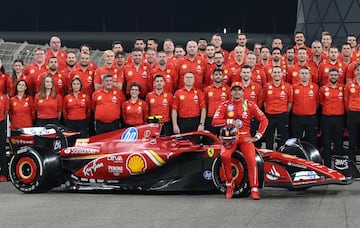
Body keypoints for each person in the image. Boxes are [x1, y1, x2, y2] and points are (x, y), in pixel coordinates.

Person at [212, 81, 268, 200]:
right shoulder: (225, 105)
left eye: (239, 90)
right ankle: (229, 184)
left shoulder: (250, 105)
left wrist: (258, 136)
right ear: (231, 92)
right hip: (229, 139)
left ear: (243, 91)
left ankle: (254, 188)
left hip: (245, 137)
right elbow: (214, 121)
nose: (237, 92)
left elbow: (264, 120)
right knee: (225, 156)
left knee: (251, 160)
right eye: (235, 90)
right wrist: (229, 121)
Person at [319, 68, 345, 167]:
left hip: (339, 118)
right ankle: (327, 166)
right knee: (326, 143)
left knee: (338, 142)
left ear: (338, 76)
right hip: (327, 118)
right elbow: (321, 102)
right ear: (328, 76)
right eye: (331, 75)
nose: (333, 77)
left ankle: (339, 166)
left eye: (335, 75)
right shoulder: (323, 89)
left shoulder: (343, 88)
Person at [263, 66, 293, 150]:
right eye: (275, 72)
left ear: (282, 74)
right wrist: (268, 110)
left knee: (283, 137)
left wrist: (285, 112)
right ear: (272, 74)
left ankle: (281, 156)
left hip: (282, 115)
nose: (277, 74)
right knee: (269, 137)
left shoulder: (287, 86)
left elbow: (290, 102)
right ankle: (269, 156)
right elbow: (264, 101)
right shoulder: (266, 86)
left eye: (278, 72)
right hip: (269, 115)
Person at [290, 66, 319, 147]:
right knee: (296, 140)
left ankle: (311, 159)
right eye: (302, 73)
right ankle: (296, 158)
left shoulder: (315, 87)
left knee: (312, 140)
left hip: (311, 118)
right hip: (297, 118)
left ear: (309, 75)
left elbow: (317, 103)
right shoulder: (293, 87)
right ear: (299, 75)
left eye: (306, 73)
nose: (304, 75)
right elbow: (290, 103)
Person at [204, 68, 230, 136]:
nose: (218, 76)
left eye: (220, 74)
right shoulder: (207, 90)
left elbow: (230, 104)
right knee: (209, 141)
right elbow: (206, 104)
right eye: (216, 74)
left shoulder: (228, 89)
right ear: (212, 76)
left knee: (223, 140)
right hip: (211, 118)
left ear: (223, 76)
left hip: (223, 118)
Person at [343, 63, 360, 164]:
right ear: (354, 72)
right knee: (352, 140)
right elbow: (346, 100)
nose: (359, 72)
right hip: (353, 114)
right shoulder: (349, 85)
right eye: (358, 70)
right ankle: (352, 164)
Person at [0, 89, 9, 182]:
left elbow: (6, 112)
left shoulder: (4, 97)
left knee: (1, 148)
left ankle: (3, 174)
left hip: (1, 123)